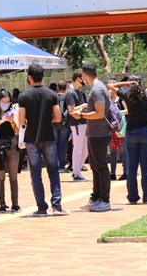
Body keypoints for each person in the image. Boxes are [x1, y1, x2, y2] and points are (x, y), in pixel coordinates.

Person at [108, 75, 147, 205]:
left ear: (131, 85)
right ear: (141, 84)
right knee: (145, 166)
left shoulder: (127, 95)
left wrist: (126, 83)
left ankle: (132, 196)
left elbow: (110, 86)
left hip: (131, 131)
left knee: (132, 166)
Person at [18, 64, 68, 217]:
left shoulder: (23, 96)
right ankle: (57, 206)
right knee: (53, 171)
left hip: (32, 138)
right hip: (49, 136)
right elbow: (58, 117)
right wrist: (47, 119)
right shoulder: (51, 94)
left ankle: (41, 207)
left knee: (35, 172)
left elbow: (21, 120)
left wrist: (30, 121)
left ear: (29, 77)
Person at [73, 62, 116, 211]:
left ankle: (104, 200)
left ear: (85, 75)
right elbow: (96, 107)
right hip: (94, 133)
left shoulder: (97, 89)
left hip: (99, 133)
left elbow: (99, 113)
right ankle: (95, 197)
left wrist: (81, 115)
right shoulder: (97, 87)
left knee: (101, 167)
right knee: (95, 167)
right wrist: (85, 106)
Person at [0, 89, 21, 213]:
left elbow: (17, 131)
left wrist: (11, 122)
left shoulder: (13, 113)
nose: (5, 104)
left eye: (7, 101)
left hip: (12, 146)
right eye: (2, 101)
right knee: (0, 177)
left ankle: (15, 204)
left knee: (13, 176)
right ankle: (2, 204)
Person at [66, 69, 89, 182]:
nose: (84, 80)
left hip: (82, 122)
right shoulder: (71, 92)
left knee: (85, 149)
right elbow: (71, 110)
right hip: (77, 123)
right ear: (78, 78)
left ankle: (77, 171)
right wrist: (83, 106)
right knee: (78, 148)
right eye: (83, 78)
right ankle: (76, 173)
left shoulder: (77, 91)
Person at [53, 81, 71, 172]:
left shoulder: (53, 96)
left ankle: (55, 164)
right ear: (65, 88)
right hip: (65, 125)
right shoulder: (67, 97)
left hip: (54, 123)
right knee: (63, 145)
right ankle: (62, 165)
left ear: (57, 87)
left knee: (55, 144)